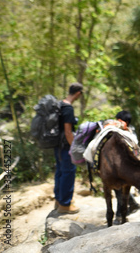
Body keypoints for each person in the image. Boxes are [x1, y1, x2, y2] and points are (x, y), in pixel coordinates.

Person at [54, 82, 83, 214]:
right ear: (78, 93)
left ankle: (59, 200)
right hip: (65, 147)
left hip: (57, 145)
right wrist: (74, 148)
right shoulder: (68, 108)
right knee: (68, 173)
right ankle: (65, 205)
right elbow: (68, 132)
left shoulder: (60, 104)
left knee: (60, 172)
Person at [112, 110, 140, 223]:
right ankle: (132, 204)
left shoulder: (124, 132)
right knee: (120, 188)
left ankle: (120, 215)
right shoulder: (129, 132)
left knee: (120, 189)